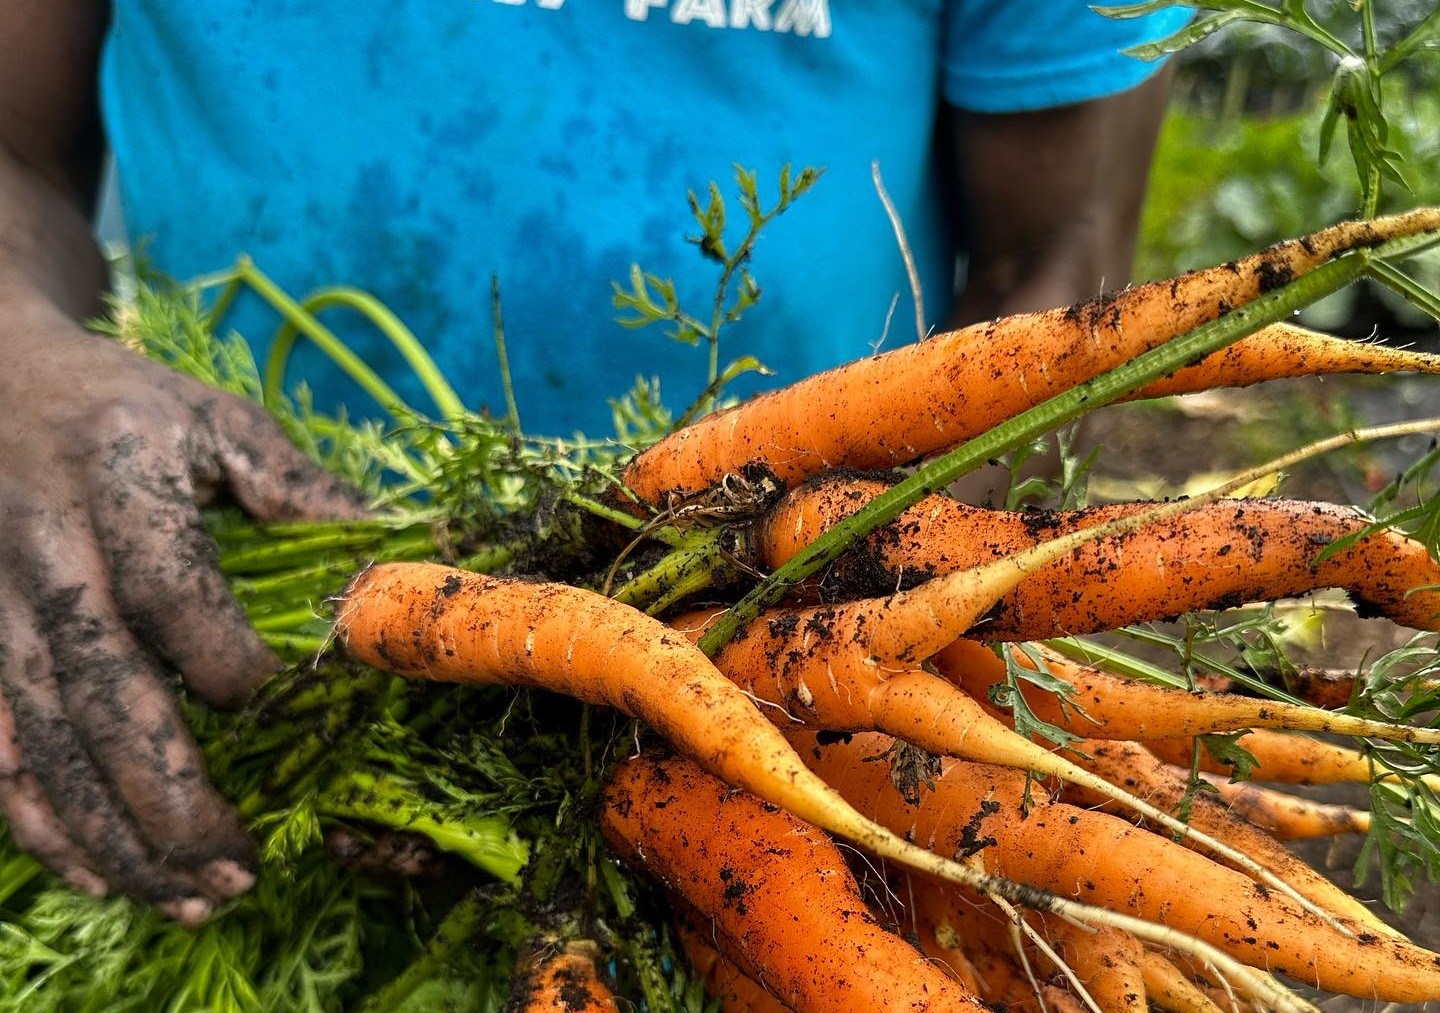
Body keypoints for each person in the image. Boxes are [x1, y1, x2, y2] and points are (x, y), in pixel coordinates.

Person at [0, 1, 1189, 916]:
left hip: (770, 751)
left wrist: (835, 621)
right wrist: (20, 363)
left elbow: (1062, 263)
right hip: (184, 659)